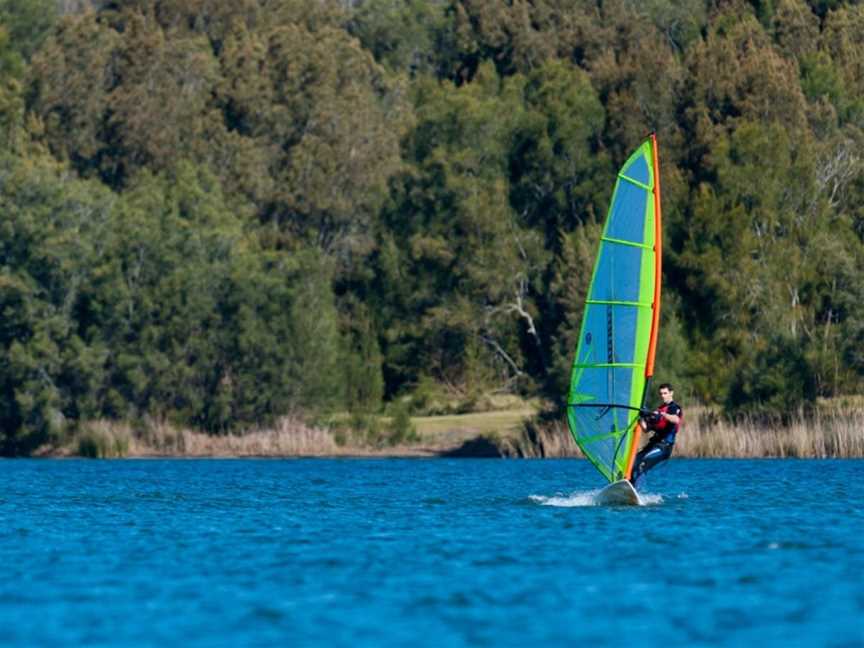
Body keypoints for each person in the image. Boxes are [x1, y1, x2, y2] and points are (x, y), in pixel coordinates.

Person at [630, 383, 682, 487]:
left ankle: (636, 491)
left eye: (665, 393)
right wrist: (641, 417)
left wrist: (663, 415)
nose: (663, 396)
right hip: (652, 445)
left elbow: (676, 419)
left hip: (664, 447)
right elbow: (645, 429)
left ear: (671, 393)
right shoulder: (658, 411)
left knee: (643, 464)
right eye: (661, 394)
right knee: (633, 462)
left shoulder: (674, 408)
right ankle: (629, 486)